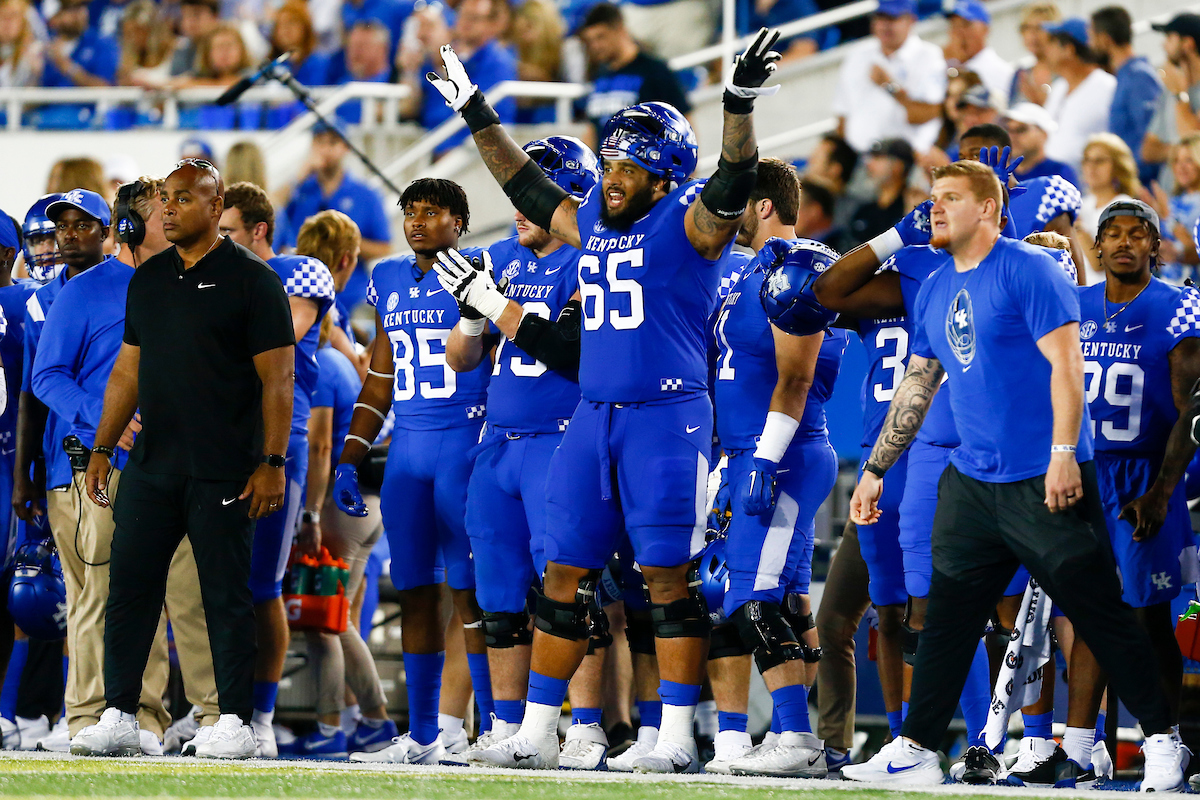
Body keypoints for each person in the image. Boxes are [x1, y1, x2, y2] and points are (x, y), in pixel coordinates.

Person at [425, 24, 781, 773]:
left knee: (666, 580)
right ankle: (535, 729)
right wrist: (476, 112)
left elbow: (734, 180)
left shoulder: (688, 226)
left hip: (667, 417)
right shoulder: (590, 219)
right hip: (594, 416)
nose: (613, 175)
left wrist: (738, 105)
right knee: (563, 578)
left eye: (631, 166)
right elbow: (522, 182)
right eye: (611, 160)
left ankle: (678, 735)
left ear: (664, 177)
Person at [840, 160, 1187, 790]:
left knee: (1103, 614)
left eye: (950, 198)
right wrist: (874, 470)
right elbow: (918, 384)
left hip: (1041, 476)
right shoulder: (939, 283)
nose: (935, 208)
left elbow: (1067, 367)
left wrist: (1062, 453)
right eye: (933, 197)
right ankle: (916, 749)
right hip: (971, 480)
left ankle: (1163, 741)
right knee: (945, 618)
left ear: (990, 210)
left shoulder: (1032, 269)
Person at [76, 159, 294, 760]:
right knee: (129, 589)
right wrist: (101, 447)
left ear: (215, 201)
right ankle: (119, 712)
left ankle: (234, 721)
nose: (167, 209)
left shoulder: (254, 280)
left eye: (181, 198)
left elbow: (279, 380)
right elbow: (127, 370)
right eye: (163, 200)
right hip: (152, 463)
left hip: (226, 465)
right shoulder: (147, 279)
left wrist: (272, 460)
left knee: (224, 595)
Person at [441, 137, 599, 767]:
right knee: (499, 595)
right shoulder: (503, 258)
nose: (519, 208)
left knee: (569, 588)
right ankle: (509, 728)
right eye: (515, 195)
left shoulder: (593, 262)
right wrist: (474, 315)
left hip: (561, 440)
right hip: (499, 445)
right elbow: (462, 360)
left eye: (531, 194)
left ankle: (584, 724)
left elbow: (571, 351)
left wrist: (495, 306)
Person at [1041, 199, 1200, 785]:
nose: (1125, 242)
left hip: (1143, 477)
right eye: (1113, 234)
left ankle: (1167, 742)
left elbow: (1194, 408)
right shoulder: (1072, 306)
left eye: (1139, 234)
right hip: (1081, 471)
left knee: (1146, 617)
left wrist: (1162, 489)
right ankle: (1083, 747)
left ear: (1156, 247)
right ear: (1098, 246)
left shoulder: (1180, 303)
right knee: (1084, 615)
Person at [333, 178, 492, 765]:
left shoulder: (484, 273)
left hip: (467, 442)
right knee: (417, 592)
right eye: (410, 212)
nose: (418, 221)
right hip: (408, 450)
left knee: (476, 594)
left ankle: (491, 729)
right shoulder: (389, 276)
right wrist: (350, 457)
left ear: (460, 220)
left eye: (433, 212)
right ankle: (425, 734)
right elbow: (380, 376)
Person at [706, 166, 847, 778]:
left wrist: (763, 457)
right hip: (750, 450)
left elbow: (800, 376)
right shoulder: (747, 271)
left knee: (747, 592)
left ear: (761, 205)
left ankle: (793, 733)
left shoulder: (800, 267)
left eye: (736, 201)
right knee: (787, 598)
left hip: (779, 450)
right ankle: (801, 734)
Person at [218, 181, 335, 757]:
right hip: (219, 444)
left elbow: (276, 339)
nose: (218, 243)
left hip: (276, 447)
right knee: (211, 585)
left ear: (258, 230)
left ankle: (260, 715)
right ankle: (217, 710)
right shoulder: (217, 276)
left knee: (261, 585)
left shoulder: (298, 271)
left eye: (228, 233)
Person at [290, 214, 399, 758]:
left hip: (342, 496)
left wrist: (308, 513)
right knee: (340, 618)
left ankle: (347, 725)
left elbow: (321, 446)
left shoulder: (324, 359)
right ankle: (364, 720)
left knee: (326, 620)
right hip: (367, 494)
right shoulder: (340, 352)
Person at [277, 124, 391, 293]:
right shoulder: (300, 189)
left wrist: (342, 241)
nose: (325, 150)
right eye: (319, 142)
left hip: (349, 292)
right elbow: (271, 208)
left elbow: (384, 248)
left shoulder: (366, 194)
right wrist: (298, 176)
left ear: (345, 147)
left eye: (332, 143)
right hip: (300, 287)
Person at [398, 0, 516, 152]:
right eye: (463, 15)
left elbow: (488, 116)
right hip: (432, 146)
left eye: (475, 18)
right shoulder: (440, 58)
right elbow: (407, 108)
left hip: (472, 153)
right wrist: (409, 69)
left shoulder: (498, 63)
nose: (467, 23)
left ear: (491, 24)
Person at [833, 0, 945, 154]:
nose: (885, 26)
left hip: (907, 157)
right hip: (861, 156)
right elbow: (842, 115)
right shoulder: (857, 55)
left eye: (893, 19)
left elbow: (928, 113)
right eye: (880, 18)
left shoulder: (928, 56)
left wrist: (889, 86)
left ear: (911, 20)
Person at [574, 3, 692, 146]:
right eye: (590, 41)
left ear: (620, 30)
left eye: (601, 37)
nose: (596, 46)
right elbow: (593, 129)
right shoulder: (600, 76)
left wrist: (688, 164)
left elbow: (684, 122)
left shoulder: (654, 70)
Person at [1090, 6, 1162, 186]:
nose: (1089, 45)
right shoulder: (1124, 76)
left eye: (1092, 37)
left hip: (1143, 188)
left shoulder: (1139, 77)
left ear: (1105, 39)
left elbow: (1151, 139)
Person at [1042, 18, 1116, 173]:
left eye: (1051, 42)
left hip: (1088, 185)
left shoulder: (1107, 86)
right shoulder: (1058, 87)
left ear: (1068, 49)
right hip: (1053, 183)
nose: (1046, 49)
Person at [1076, 133, 1141, 284]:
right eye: (1087, 160)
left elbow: (1101, 264)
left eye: (1099, 161)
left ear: (1118, 166)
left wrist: (1077, 227)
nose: (1091, 167)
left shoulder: (1125, 207)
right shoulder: (1082, 204)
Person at [1143, 14, 1200, 181]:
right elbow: (1148, 151)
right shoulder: (1168, 91)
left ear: (1188, 43)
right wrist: (1179, 151)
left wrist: (1179, 94)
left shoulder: (1174, 91)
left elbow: (1191, 138)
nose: (1163, 44)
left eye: (1169, 37)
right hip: (1170, 194)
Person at [943, 0, 1012, 111]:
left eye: (966, 24)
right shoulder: (945, 66)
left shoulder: (1000, 70)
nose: (959, 32)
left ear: (985, 29)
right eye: (954, 25)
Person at [848, 138, 913, 247]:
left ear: (898, 166)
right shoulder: (863, 211)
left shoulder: (910, 209)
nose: (869, 164)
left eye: (878, 158)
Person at [1003, 102, 1079, 186]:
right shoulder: (1000, 173)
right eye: (1008, 129)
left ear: (1044, 134)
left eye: (1021, 129)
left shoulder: (1059, 173)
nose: (1012, 136)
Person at [1008, 0, 1060, 107]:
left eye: (1039, 28)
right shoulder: (1019, 75)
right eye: (1027, 28)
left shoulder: (1065, 72)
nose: (1032, 35)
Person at [804, 134, 859, 229]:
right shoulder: (801, 201)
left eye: (816, 158)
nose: (810, 162)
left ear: (834, 169)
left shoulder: (852, 211)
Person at [116, 0, 172, 88]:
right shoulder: (127, 59)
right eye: (128, 33)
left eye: (137, 31)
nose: (133, 38)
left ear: (151, 30)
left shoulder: (176, 49)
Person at [168, 0, 219, 77]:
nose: (190, 21)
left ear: (214, 16)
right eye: (186, 15)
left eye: (196, 15)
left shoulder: (225, 44)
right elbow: (174, 78)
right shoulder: (182, 47)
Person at [0, 0, 43, 88]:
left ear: (24, 21)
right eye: (3, 16)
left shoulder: (35, 52)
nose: (7, 22)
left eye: (13, 15)